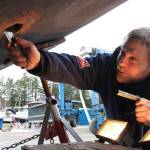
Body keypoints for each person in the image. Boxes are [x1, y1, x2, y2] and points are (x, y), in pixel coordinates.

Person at [6, 27, 150, 147]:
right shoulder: (107, 68)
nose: (122, 62)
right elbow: (75, 67)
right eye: (122, 52)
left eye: (133, 59)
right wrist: (40, 61)